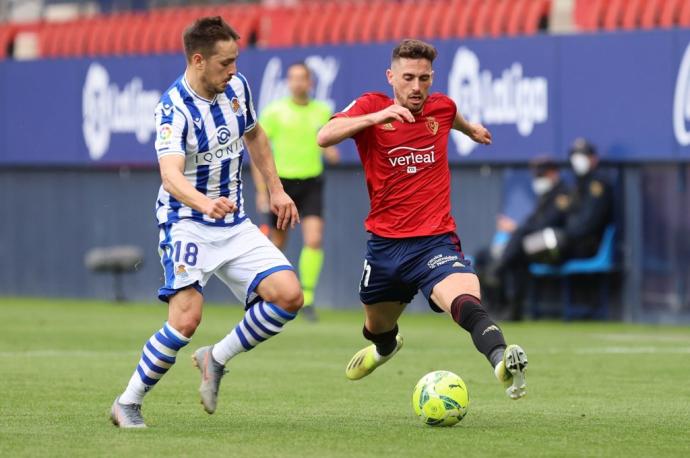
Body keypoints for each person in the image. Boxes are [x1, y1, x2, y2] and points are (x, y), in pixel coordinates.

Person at [110, 16, 303, 428]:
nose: (233, 70)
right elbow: (171, 175)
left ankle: (215, 358)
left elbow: (256, 136)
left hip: (232, 224)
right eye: (225, 63)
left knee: (289, 295)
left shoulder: (237, 88)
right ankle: (127, 402)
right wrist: (203, 203)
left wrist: (276, 188)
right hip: (187, 221)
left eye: (235, 60)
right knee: (186, 319)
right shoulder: (173, 108)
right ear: (198, 60)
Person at [317, 39, 528, 400]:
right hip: (385, 247)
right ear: (391, 76)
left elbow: (452, 117)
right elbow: (324, 136)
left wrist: (471, 129)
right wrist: (375, 117)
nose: (417, 87)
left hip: (435, 240)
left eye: (425, 79)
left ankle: (501, 361)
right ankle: (385, 348)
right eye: (409, 78)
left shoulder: (441, 107)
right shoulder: (372, 106)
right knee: (377, 327)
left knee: (464, 299)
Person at [253, 62, 339, 321]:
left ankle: (308, 299)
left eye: (302, 78)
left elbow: (327, 145)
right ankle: (267, 295)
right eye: (292, 78)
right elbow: (259, 152)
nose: (297, 83)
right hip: (283, 185)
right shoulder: (274, 112)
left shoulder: (322, 111)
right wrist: (262, 191)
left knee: (313, 239)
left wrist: (331, 150)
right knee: (277, 244)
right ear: (288, 82)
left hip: (311, 181)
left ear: (310, 82)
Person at [480, 157, 571, 320]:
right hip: (534, 244)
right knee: (511, 253)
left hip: (554, 244)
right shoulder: (545, 195)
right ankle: (509, 307)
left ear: (553, 174)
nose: (538, 179)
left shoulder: (562, 195)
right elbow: (532, 221)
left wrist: (516, 229)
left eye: (542, 175)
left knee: (518, 243)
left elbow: (547, 223)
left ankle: (497, 270)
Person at [521, 139, 614, 262]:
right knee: (525, 246)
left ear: (594, 159)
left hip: (585, 245)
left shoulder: (597, 185)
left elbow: (587, 223)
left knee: (527, 248)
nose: (578, 160)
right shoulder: (577, 184)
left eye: (583, 155)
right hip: (571, 241)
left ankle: (498, 267)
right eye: (575, 155)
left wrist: (564, 232)